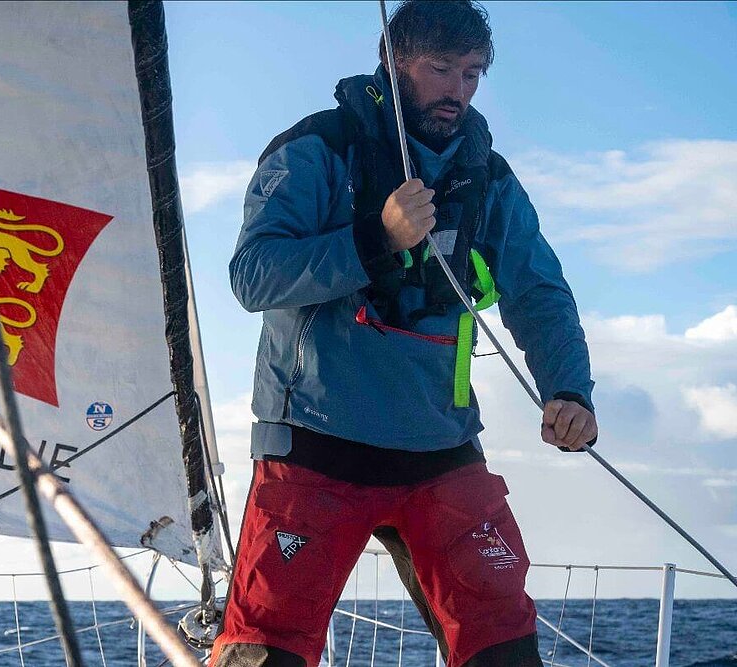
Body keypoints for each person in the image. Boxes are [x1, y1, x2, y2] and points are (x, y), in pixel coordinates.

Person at [209, 1, 599, 666]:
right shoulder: (318, 151)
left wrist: (570, 389)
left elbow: (539, 292)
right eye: (441, 69)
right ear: (391, 62)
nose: (459, 91)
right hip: (316, 441)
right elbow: (252, 275)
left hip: (438, 445)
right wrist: (375, 237)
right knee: (265, 647)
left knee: (501, 641)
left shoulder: (486, 178)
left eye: (473, 74)